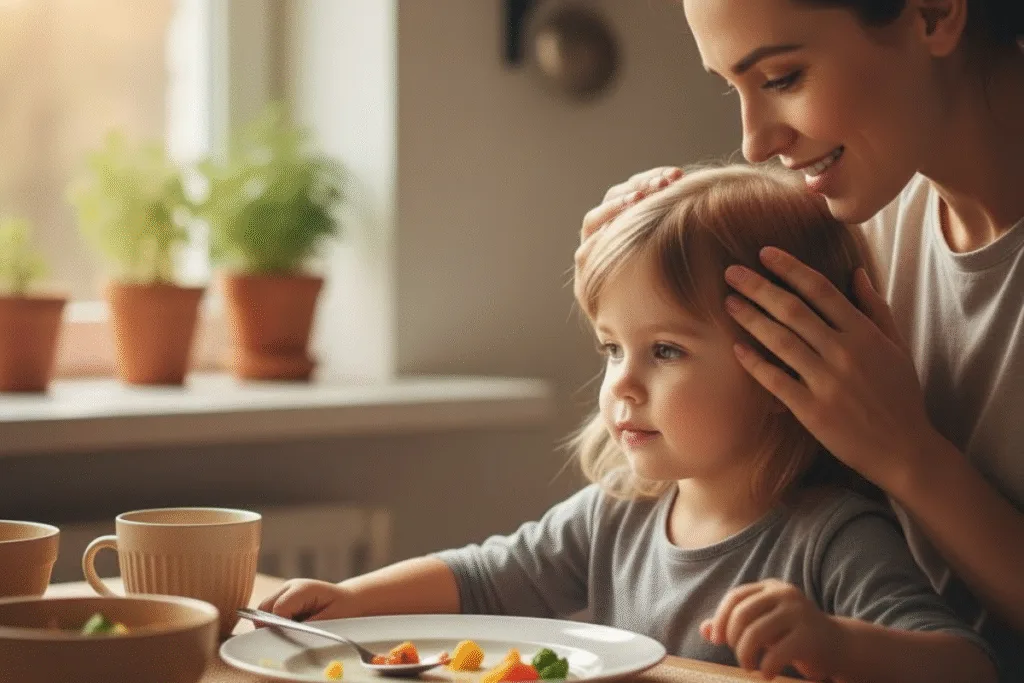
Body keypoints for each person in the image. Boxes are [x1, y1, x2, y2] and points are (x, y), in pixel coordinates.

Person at [260, 165, 996, 682]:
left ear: (784, 368)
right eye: (613, 348)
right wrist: (353, 600)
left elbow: (966, 663)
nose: (622, 383)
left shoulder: (833, 535)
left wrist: (838, 643)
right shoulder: (620, 514)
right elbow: (486, 576)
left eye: (666, 350)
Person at [577, 1, 1024, 678]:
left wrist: (909, 455)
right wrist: (628, 270)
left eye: (782, 78)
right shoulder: (854, 223)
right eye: (733, 88)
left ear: (933, 14)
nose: (754, 142)